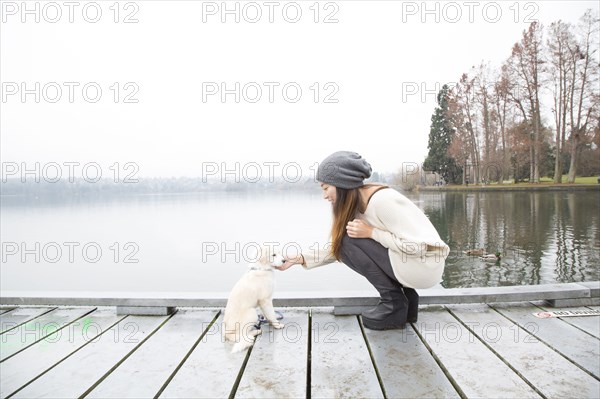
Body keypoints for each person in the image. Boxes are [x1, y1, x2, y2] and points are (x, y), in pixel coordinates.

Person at [277, 151, 450, 330]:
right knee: (346, 241)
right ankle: (407, 301)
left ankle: (394, 304)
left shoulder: (382, 201)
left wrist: (373, 233)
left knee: (347, 241)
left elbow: (418, 247)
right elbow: (338, 248)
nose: (324, 196)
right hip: (412, 264)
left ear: (341, 183)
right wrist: (299, 258)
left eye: (325, 188)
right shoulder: (357, 203)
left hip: (424, 266)